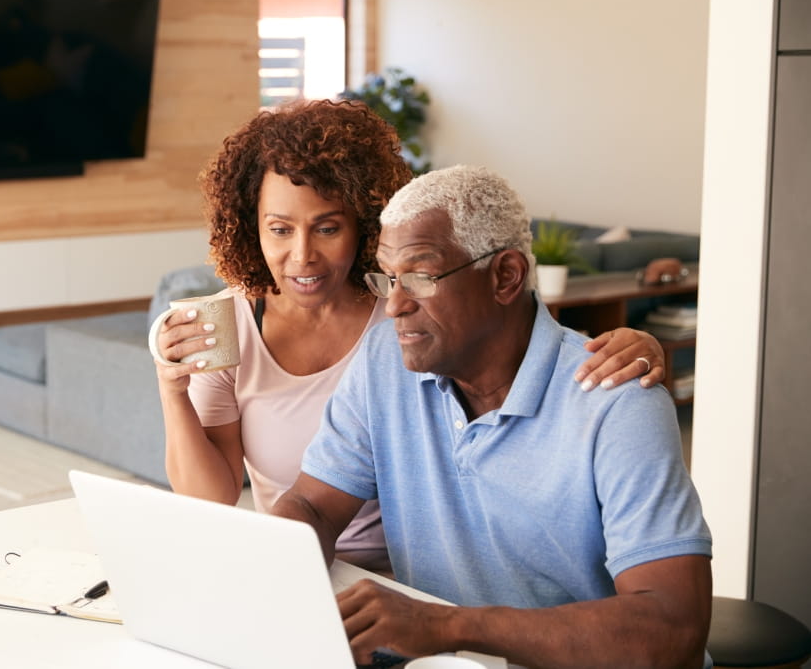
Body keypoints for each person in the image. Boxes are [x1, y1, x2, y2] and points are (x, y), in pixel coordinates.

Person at [153, 100, 669, 573]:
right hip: (309, 558)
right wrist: (172, 391)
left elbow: (523, 344)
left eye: (328, 227)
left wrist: (634, 347)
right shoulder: (234, 323)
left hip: (426, 572)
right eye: (280, 229)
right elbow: (215, 496)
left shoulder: (409, 309)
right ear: (253, 227)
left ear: (366, 227)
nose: (303, 255)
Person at [271, 165, 712, 668]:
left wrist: (447, 626)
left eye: (418, 277)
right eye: (387, 278)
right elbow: (313, 505)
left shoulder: (615, 398)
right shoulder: (382, 363)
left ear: (505, 276)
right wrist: (268, 569)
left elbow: (674, 631)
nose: (394, 305)